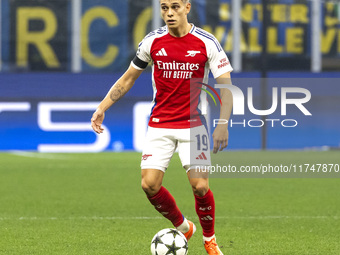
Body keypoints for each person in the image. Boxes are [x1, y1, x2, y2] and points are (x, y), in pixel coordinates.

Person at [91, 0, 233, 254]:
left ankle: (210, 240)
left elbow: (226, 85)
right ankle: (183, 226)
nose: (169, 13)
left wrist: (222, 123)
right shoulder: (152, 41)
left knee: (200, 186)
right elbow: (128, 79)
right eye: (164, 7)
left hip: (194, 125)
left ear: (187, 8)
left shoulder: (207, 42)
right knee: (149, 185)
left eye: (175, 7)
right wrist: (102, 107)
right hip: (160, 124)